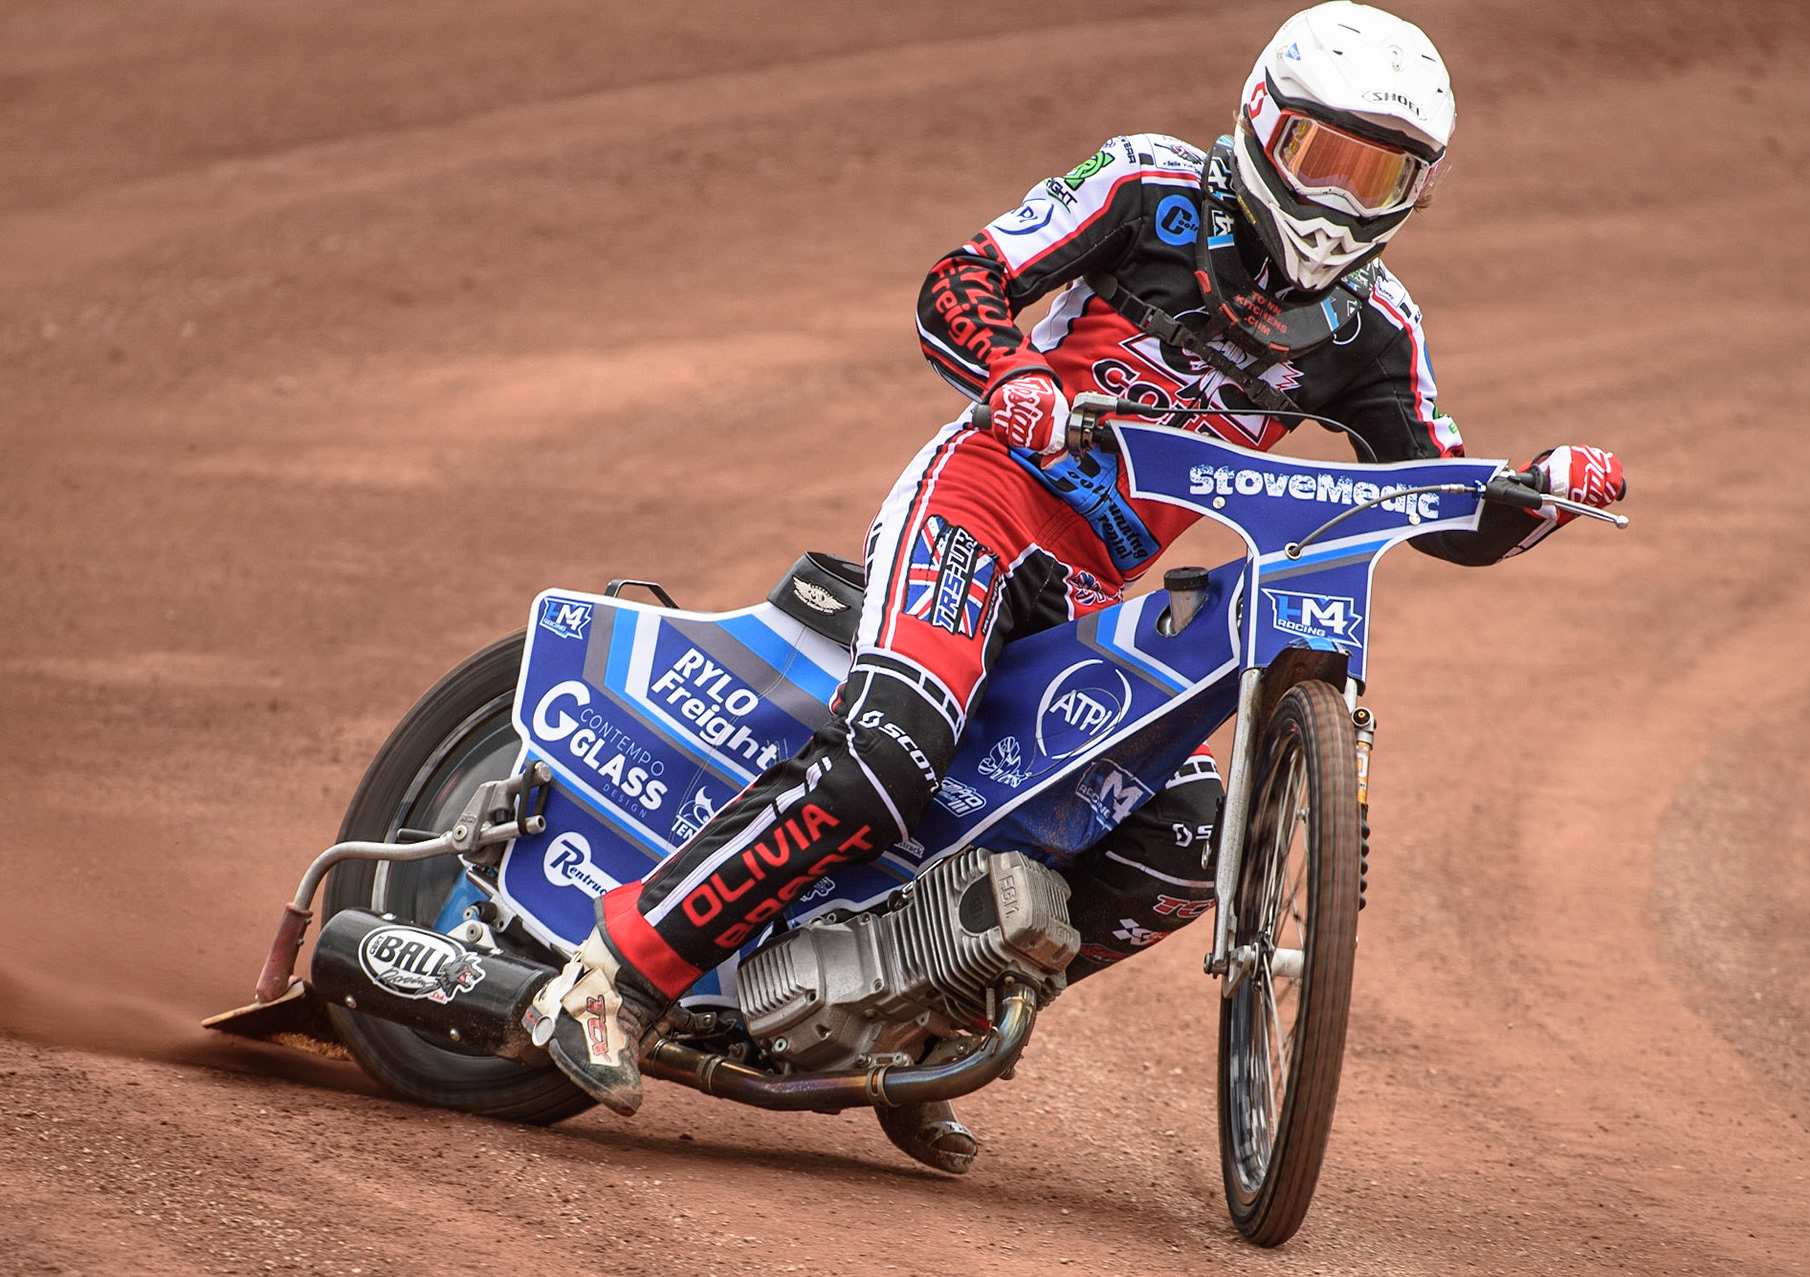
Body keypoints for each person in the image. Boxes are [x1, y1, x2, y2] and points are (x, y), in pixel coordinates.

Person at [537, 0, 1625, 1171]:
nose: (1339, 200)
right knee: (894, 752)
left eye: (1380, 174)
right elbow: (958, 282)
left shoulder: (1375, 329)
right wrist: (1013, 373)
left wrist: (1538, 497)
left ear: (1419, 189)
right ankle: (612, 977)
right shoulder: (1144, 185)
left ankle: (913, 1026)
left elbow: (1439, 506)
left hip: (1085, 592)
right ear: (1261, 124)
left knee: (1193, 830)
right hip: (982, 503)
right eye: (1323, 156)